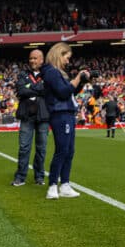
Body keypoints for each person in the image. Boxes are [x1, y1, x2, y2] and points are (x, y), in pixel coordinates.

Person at [40, 42, 88, 200]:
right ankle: (53, 185)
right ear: (58, 55)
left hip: (66, 112)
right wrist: (77, 78)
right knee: (62, 150)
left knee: (69, 150)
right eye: (66, 58)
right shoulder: (51, 72)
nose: (68, 61)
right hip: (60, 113)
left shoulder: (57, 72)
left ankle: (65, 184)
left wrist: (82, 81)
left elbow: (70, 92)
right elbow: (63, 92)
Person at [12, 49, 50, 187]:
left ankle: (39, 176)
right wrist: (38, 88)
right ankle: (20, 177)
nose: (32, 61)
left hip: (43, 115)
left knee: (41, 148)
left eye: (35, 58)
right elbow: (20, 90)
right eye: (30, 58)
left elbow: (47, 90)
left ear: (41, 59)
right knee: (24, 147)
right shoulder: (23, 74)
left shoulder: (48, 74)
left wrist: (30, 87)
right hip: (26, 115)